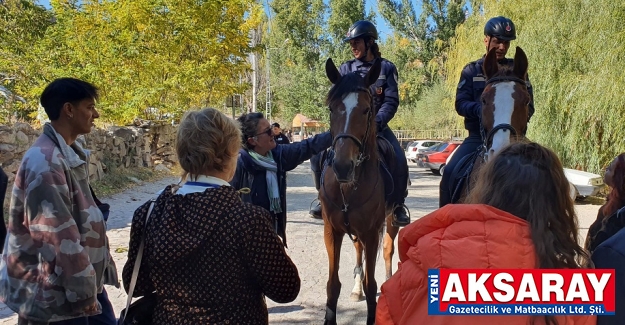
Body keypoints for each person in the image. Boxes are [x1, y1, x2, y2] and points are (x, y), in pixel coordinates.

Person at [377, 142, 594, 325]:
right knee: (452, 169)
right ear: (554, 202)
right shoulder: (578, 289)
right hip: (477, 131)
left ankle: (397, 203)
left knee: (394, 150)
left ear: (486, 187)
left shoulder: (416, 262)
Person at [123, 108, 301, 324]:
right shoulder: (247, 220)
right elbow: (286, 289)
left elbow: (138, 284)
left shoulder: (149, 213)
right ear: (231, 152)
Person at [0, 78, 117, 325]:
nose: (95, 114)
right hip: (56, 297)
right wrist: (84, 292)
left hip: (75, 286)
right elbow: (57, 237)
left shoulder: (67, 152)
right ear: (69, 110)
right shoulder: (46, 163)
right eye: (89, 107)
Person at [309, 20, 410, 227]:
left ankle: (398, 206)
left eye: (357, 42)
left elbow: (391, 101)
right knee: (317, 156)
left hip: (378, 127)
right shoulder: (346, 68)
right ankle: (321, 198)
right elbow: (339, 101)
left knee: (399, 159)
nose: (353, 47)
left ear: (369, 42)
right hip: (348, 128)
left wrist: (377, 123)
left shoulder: (387, 68)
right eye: (351, 43)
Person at [439, 16, 535, 207]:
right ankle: (443, 218)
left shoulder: (518, 71)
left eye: (506, 43)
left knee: (546, 174)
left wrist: (510, 114)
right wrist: (484, 109)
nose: (502, 47)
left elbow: (529, 107)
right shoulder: (471, 70)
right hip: (478, 137)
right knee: (450, 172)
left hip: (515, 137)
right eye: (498, 41)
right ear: (486, 39)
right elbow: (461, 103)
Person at [231, 112, 331, 247]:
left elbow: (308, 146)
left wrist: (337, 132)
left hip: (271, 235)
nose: (273, 133)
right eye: (267, 131)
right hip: (245, 241)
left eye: (271, 128)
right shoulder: (237, 165)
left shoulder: (277, 155)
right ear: (252, 140)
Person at [585, 153, 625, 252]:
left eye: (610, 168)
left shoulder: (619, 215)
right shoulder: (612, 204)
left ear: (619, 178)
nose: (606, 168)